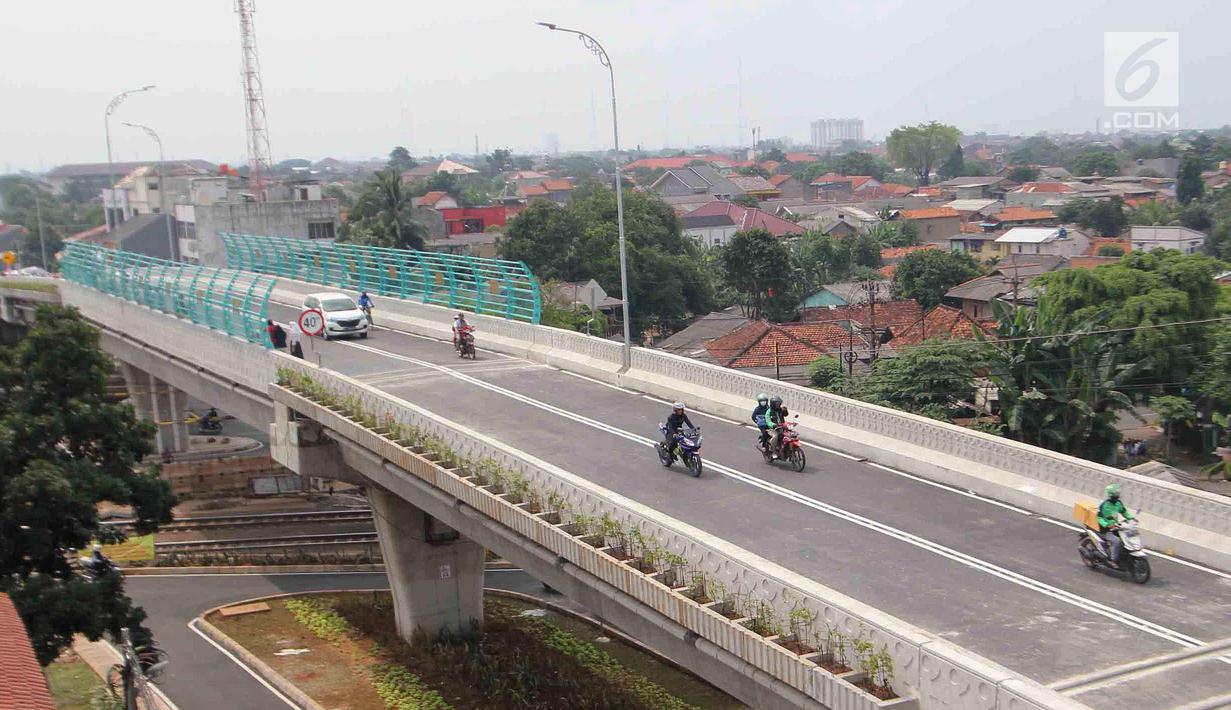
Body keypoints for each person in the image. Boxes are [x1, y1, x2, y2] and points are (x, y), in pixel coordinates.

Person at [1098, 483, 1135, 568]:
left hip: (1115, 527)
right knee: (1117, 541)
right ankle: (1113, 560)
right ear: (1112, 495)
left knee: (1127, 538)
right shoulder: (1105, 505)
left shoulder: (1118, 503)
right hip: (1105, 529)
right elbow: (1099, 518)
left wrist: (1131, 518)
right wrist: (1107, 525)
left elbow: (1124, 512)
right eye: (1116, 494)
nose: (1118, 496)